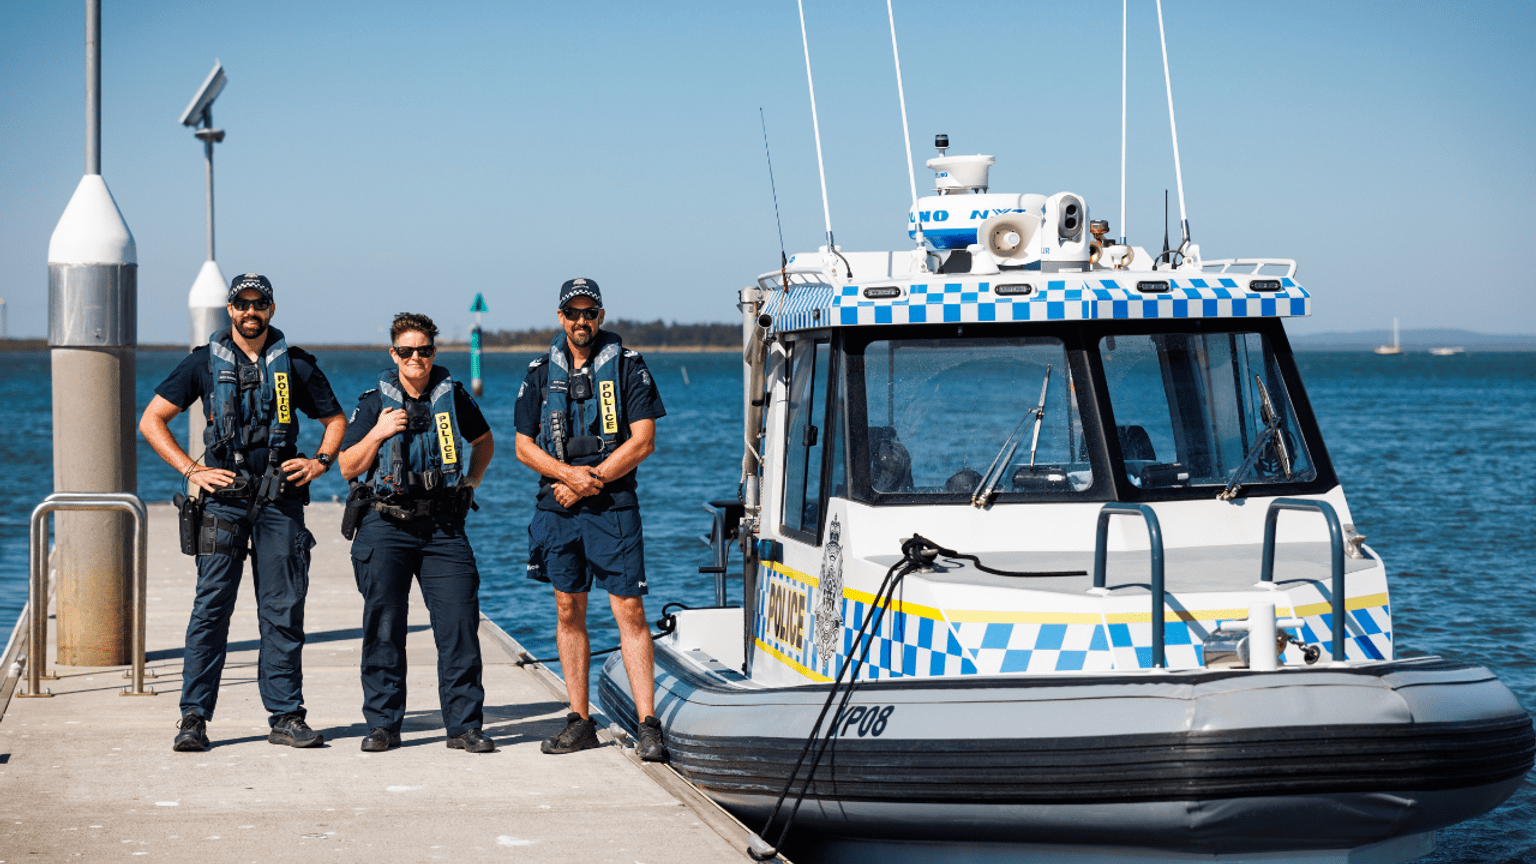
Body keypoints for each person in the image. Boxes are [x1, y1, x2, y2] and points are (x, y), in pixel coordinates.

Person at [140, 273, 346, 752]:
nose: (250, 312)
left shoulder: (295, 365)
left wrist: (319, 462)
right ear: (229, 310)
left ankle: (286, 716)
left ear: (272, 309)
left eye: (260, 304)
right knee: (211, 610)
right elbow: (151, 420)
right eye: (242, 305)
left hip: (280, 501)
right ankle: (193, 718)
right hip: (223, 501)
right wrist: (192, 469)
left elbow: (335, 420)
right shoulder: (201, 365)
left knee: (283, 610)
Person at [514, 278, 670, 762]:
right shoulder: (540, 372)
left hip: (612, 506)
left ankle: (648, 725)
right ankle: (579, 720)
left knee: (629, 611)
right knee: (567, 609)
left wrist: (591, 478)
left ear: (601, 316)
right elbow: (523, 446)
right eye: (573, 313)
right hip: (557, 507)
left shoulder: (628, 367)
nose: (581, 321)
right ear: (560, 318)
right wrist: (565, 475)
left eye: (590, 313)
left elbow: (643, 441)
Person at [338, 313, 496, 753]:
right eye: (406, 351)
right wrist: (378, 432)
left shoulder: (453, 396)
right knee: (384, 627)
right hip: (385, 525)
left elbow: (484, 441)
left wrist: (470, 482)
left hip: (443, 528)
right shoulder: (374, 402)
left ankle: (464, 726)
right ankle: (384, 724)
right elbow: (348, 466)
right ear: (394, 354)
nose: (416, 358)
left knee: (459, 625)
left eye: (423, 350)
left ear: (433, 353)